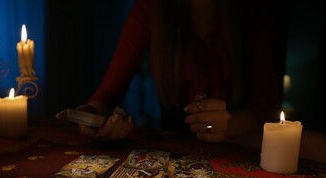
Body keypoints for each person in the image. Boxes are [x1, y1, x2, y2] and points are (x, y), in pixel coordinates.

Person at [56, 0, 284, 143]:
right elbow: (108, 94)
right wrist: (91, 116)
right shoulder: (150, 9)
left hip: (241, 147)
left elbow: (267, 106)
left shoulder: (255, 9)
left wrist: (231, 124)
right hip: (175, 152)